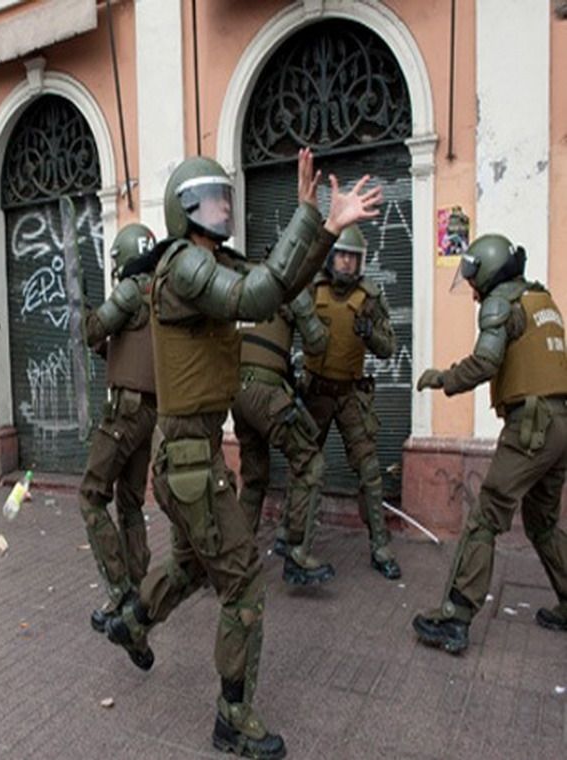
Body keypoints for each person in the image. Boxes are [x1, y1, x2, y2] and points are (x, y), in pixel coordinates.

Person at [103, 151, 382, 759]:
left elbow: (280, 285)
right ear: (184, 208)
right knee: (246, 587)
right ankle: (233, 717)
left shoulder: (209, 262)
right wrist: (322, 226)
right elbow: (259, 295)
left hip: (191, 454)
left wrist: (318, 222)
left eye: (227, 196)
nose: (225, 206)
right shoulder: (182, 267)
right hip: (187, 460)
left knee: (196, 567)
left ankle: (134, 619)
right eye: (212, 198)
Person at [412, 234, 567, 653]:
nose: (475, 292)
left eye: (475, 278)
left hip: (531, 425)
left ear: (490, 269)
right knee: (542, 523)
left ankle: (456, 617)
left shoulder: (503, 302)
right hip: (560, 425)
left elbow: (486, 361)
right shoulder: (542, 302)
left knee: (485, 518)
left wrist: (443, 379)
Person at [297, 224, 401, 580]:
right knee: (304, 466)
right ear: (330, 257)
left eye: (353, 258)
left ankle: (380, 546)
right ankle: (294, 541)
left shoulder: (369, 297)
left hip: (351, 394)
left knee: (370, 471)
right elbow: (284, 319)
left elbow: (390, 349)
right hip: (315, 393)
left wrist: (370, 335)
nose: (346, 263)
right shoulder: (312, 289)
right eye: (341, 255)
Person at [78, 223, 159, 633]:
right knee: (129, 503)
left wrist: (82, 308)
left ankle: (118, 588)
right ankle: (138, 587)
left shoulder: (129, 290)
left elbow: (93, 329)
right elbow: (122, 347)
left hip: (124, 412)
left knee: (91, 496)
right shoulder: (159, 293)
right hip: (150, 413)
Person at [231, 269, 335, 584]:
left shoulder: (246, 284)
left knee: (254, 479)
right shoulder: (289, 289)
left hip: (237, 392)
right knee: (310, 463)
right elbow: (317, 343)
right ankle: (296, 553)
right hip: (266, 392)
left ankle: (238, 560)